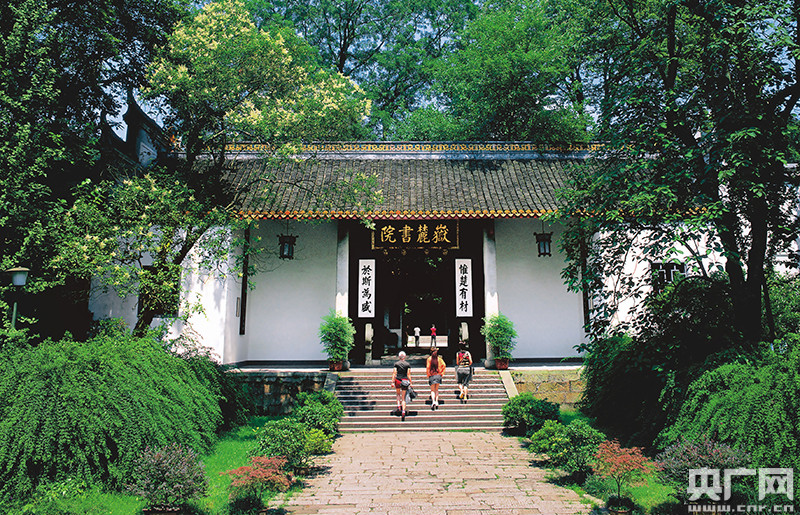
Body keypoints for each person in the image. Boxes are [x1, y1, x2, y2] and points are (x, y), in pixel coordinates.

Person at [391, 351, 412, 420]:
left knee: (398, 394)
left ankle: (398, 406)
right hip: (405, 380)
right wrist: (411, 382)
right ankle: (403, 411)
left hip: (398, 380)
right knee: (403, 397)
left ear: (399, 357)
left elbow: (394, 373)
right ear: (405, 357)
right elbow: (408, 374)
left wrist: (392, 382)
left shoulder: (396, 364)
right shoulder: (407, 364)